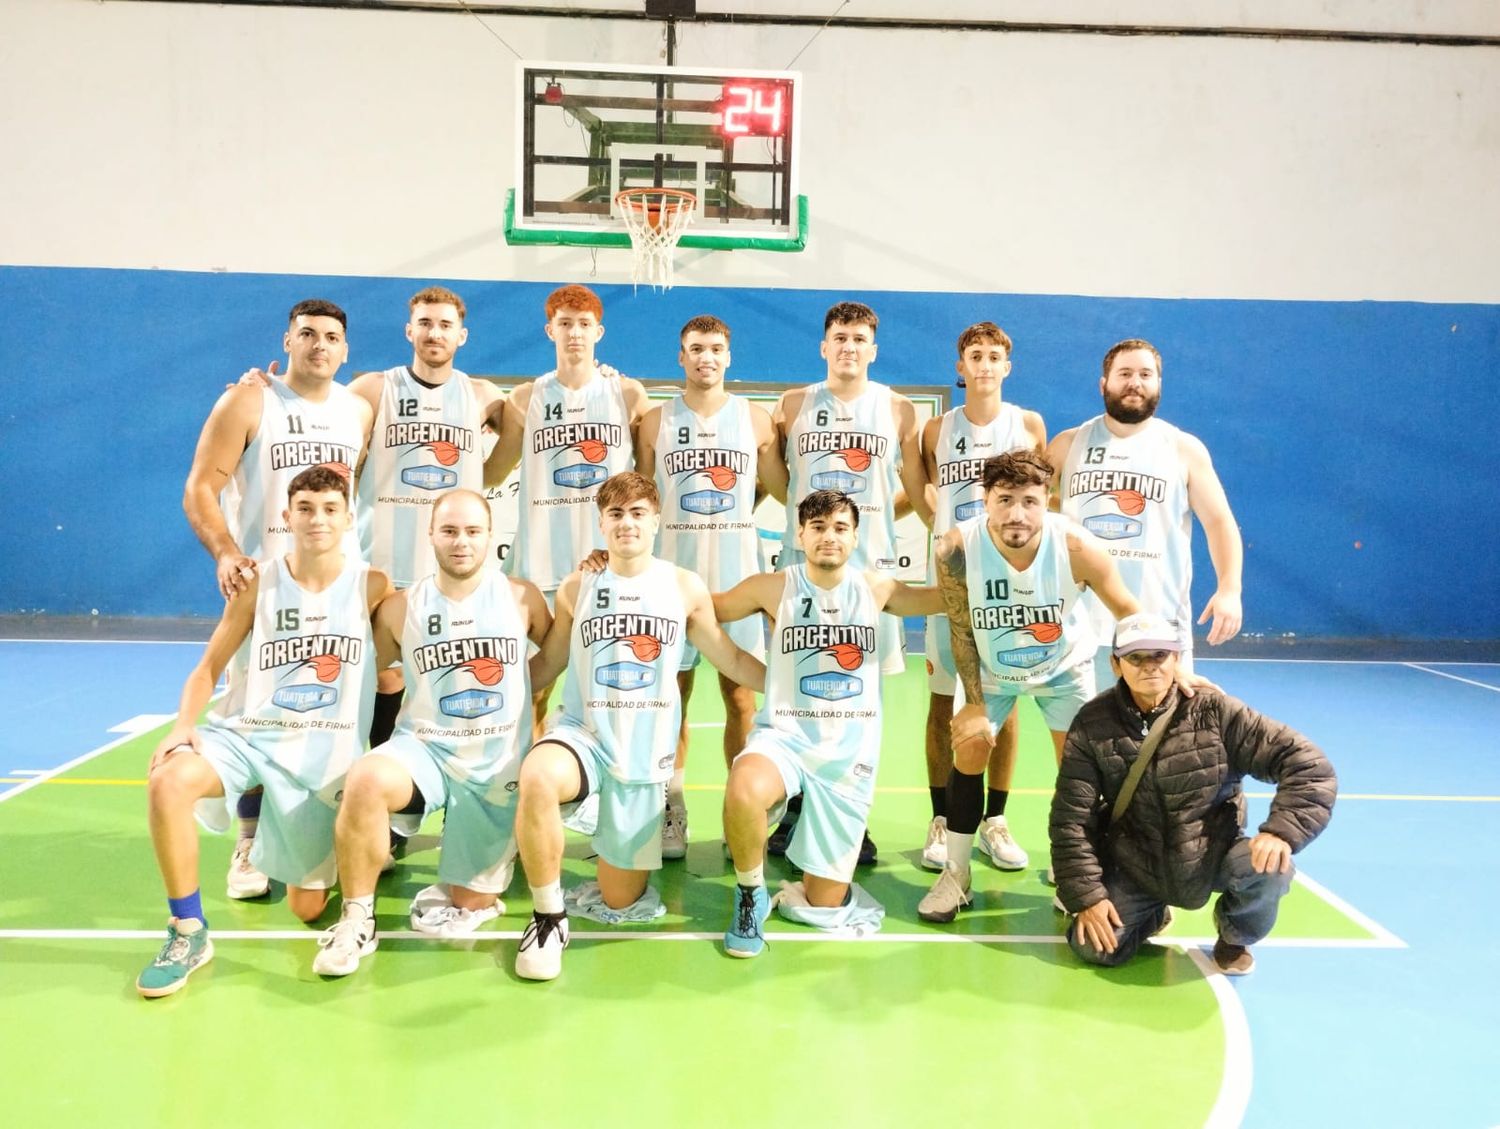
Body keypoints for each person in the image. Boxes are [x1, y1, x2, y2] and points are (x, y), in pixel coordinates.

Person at [137, 466, 389, 998]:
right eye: (305, 509)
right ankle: (188, 931)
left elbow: (398, 666)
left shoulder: (372, 586)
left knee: (307, 908)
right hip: (250, 737)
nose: (317, 519)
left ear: (348, 518)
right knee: (168, 781)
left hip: (324, 759)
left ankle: (311, 841)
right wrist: (182, 727)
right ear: (286, 516)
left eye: (328, 509)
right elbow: (206, 670)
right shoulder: (258, 584)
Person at [510, 472, 765, 981]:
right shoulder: (578, 586)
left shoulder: (683, 586)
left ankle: (603, 853)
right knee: (538, 774)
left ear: (657, 520)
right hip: (584, 736)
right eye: (616, 514)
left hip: (644, 754)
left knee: (619, 896)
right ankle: (546, 917)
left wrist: (787, 686)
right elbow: (549, 664)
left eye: (637, 513)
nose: (627, 523)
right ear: (601, 523)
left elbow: (731, 658)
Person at [311, 489, 551, 977]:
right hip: (425, 749)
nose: (460, 542)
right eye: (449, 531)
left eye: (472, 531)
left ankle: (485, 870)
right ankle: (358, 918)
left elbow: (560, 657)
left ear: (490, 537)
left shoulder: (522, 597)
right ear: (431, 536)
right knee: (366, 779)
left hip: (495, 766)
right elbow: (366, 676)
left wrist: (533, 724)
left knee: (470, 901)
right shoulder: (401, 607)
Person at [184, 299, 372, 902]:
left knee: (331, 713)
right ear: (287, 341)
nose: (320, 345)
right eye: (308, 334)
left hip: (338, 586)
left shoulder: (358, 411)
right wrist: (223, 552)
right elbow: (200, 488)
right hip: (264, 588)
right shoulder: (248, 400)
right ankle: (247, 842)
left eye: (332, 337)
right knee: (254, 713)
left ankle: (337, 832)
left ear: (346, 351)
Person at [715, 490, 943, 958]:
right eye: (817, 527)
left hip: (847, 756)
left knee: (824, 902)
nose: (829, 537)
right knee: (742, 786)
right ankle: (749, 892)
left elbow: (940, 599)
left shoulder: (876, 588)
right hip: (786, 737)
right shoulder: (774, 586)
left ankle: (807, 862)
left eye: (840, 527)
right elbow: (703, 607)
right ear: (800, 535)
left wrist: (975, 551)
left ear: (856, 536)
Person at [920, 449, 1142, 924]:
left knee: (1082, 767)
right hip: (992, 670)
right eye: (1004, 500)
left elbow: (1129, 610)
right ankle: (956, 875)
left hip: (1064, 669)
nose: (1016, 513)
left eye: (1029, 501)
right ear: (985, 500)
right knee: (971, 746)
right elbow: (960, 629)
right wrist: (975, 705)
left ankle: (1073, 873)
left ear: (1049, 500)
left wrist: (1168, 665)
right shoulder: (955, 549)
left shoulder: (1078, 547)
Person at [1049, 613, 1336, 973]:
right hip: (1136, 863)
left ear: (1176, 659)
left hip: (1212, 855)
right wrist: (1087, 896)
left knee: (1271, 869)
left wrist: (1281, 832)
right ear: (1116, 664)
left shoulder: (1217, 712)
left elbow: (1308, 765)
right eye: (1136, 657)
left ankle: (1235, 937)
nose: (1149, 667)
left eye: (1159, 656)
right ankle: (1150, 914)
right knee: (1093, 949)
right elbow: (1071, 819)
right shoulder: (1092, 723)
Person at [767, 301, 929, 864]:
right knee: (799, 694)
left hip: (869, 574)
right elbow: (782, 484)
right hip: (806, 575)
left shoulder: (899, 409)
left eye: (860, 338)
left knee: (859, 703)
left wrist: (881, 519)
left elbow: (913, 486)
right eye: (839, 337)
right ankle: (794, 813)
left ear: (873, 349)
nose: (849, 347)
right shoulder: (791, 406)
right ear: (823, 346)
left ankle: (850, 818)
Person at [635, 314, 787, 858]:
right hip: (672, 582)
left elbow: (780, 489)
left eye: (716, 348)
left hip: (735, 581)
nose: (706, 357)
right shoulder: (654, 424)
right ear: (681, 357)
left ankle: (739, 808)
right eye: (695, 348)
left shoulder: (757, 421)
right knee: (670, 697)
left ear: (729, 356)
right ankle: (671, 806)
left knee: (741, 698)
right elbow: (643, 500)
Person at [484, 285, 650, 731]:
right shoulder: (525, 398)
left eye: (582, 324)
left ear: (599, 331)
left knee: (610, 684)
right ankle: (528, 778)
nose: (574, 333)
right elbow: (492, 473)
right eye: (564, 324)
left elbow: (649, 484)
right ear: (549, 330)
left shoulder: (628, 394)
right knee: (534, 688)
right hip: (540, 559)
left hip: (605, 563)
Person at [349, 286, 505, 748]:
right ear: (409, 330)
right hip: (379, 559)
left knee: (448, 678)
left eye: (444, 325)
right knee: (382, 677)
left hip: (447, 566)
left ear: (462, 335)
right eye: (425, 323)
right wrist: (265, 388)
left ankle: (431, 788)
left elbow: (521, 445)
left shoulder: (483, 396)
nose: (434, 333)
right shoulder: (374, 388)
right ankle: (369, 787)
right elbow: (324, 426)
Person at [919, 322, 1047, 876]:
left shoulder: (1029, 424)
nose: (986, 365)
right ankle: (944, 819)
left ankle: (995, 820)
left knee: (1006, 699)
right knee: (941, 700)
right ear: (960, 365)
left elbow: (1044, 496)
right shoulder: (934, 430)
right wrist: (946, 535)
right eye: (976, 355)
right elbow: (923, 492)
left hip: (1009, 584)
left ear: (1007, 366)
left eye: (996, 356)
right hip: (952, 581)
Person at [1047, 339, 1243, 683]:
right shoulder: (1068, 444)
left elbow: (1219, 522)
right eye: (1124, 373)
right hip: (1080, 626)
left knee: (1163, 733)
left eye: (1144, 374)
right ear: (1103, 383)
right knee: (1083, 734)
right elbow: (1029, 509)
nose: (1134, 382)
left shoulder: (1183, 448)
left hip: (1159, 623)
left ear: (1158, 384)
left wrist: (1229, 589)